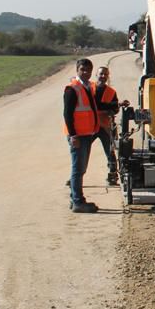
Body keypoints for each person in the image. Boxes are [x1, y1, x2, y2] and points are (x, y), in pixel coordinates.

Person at [63, 59, 100, 213]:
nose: (86, 72)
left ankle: (75, 198)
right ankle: (78, 202)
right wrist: (73, 136)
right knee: (78, 170)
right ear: (77, 70)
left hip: (86, 134)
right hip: (78, 135)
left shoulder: (88, 86)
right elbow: (67, 114)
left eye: (88, 70)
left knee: (81, 169)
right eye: (82, 69)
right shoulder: (72, 88)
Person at [92, 66, 130, 186]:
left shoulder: (111, 92)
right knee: (82, 151)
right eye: (101, 74)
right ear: (96, 75)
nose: (103, 76)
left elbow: (115, 109)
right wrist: (114, 105)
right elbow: (96, 105)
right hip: (90, 125)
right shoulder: (89, 89)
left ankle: (113, 175)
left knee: (110, 151)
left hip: (105, 126)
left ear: (108, 76)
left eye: (105, 74)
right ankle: (75, 177)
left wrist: (113, 110)